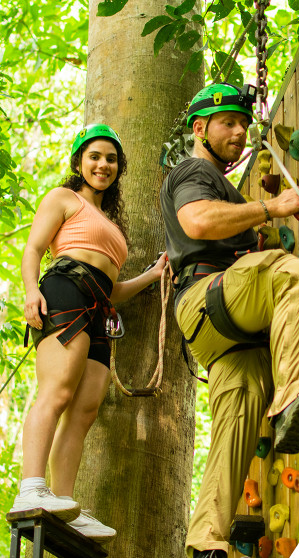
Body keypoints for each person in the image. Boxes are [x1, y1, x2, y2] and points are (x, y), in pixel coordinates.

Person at [160, 83, 299, 558]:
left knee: (234, 428)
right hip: (209, 296)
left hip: (216, 331)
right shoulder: (194, 170)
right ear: (200, 129)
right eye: (228, 123)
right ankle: (292, 394)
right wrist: (271, 207)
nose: (240, 131)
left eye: (244, 124)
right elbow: (197, 222)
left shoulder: (223, 187)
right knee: (294, 272)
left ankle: (204, 541)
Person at [12, 124, 167, 542]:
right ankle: (31, 489)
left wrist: (152, 275)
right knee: (57, 392)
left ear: (119, 168)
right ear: (79, 161)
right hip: (65, 290)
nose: (103, 164)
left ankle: (64, 502)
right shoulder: (65, 198)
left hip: (101, 307)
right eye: (95, 156)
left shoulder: (113, 226)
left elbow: (114, 287)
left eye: (111, 159)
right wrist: (30, 293)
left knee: (83, 411)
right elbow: (32, 248)